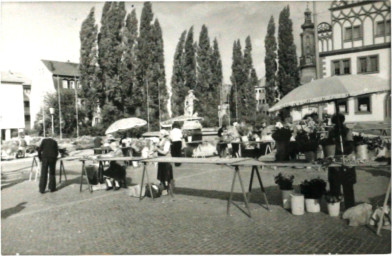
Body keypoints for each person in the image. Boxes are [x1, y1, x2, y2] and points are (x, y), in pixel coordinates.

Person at [328, 113, 356, 209]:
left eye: (339, 121)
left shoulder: (347, 131)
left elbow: (351, 146)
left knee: (348, 185)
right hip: (334, 160)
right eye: (336, 122)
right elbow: (328, 145)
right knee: (334, 184)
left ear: (342, 121)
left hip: (346, 159)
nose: (338, 124)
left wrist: (342, 147)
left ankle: (350, 207)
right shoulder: (331, 131)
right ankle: (335, 206)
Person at [155, 130, 173, 195]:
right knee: (161, 175)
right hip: (161, 160)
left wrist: (157, 150)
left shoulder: (167, 142)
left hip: (166, 160)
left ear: (163, 135)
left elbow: (165, 152)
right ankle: (163, 188)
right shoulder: (159, 142)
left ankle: (167, 189)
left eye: (160, 134)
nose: (158, 135)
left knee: (166, 176)